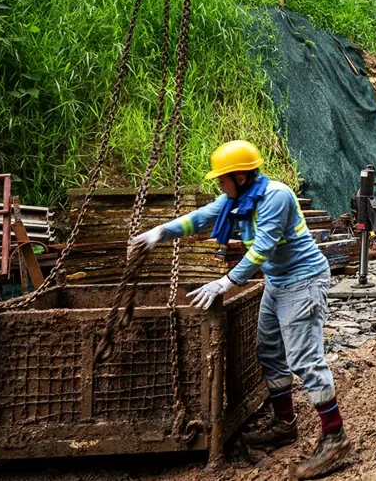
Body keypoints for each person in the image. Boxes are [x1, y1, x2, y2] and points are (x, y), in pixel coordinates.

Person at [130, 140, 352, 479]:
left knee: (304, 360)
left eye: (222, 179)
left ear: (241, 177)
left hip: (303, 281)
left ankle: (335, 436)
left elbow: (262, 248)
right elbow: (200, 218)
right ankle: (285, 423)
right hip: (278, 282)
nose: (219, 185)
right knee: (269, 351)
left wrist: (225, 283)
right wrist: (159, 232)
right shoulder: (237, 200)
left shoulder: (276, 197)